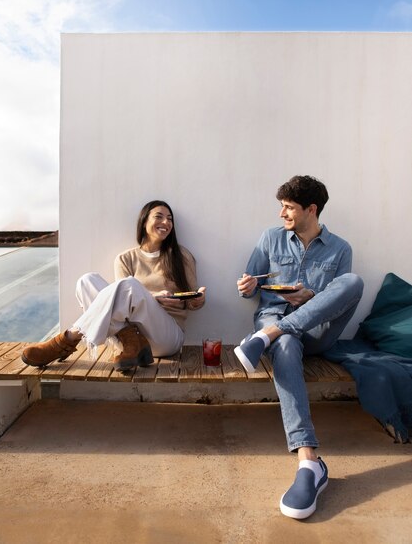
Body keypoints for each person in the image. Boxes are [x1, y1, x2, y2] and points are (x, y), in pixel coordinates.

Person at [234, 175, 363, 520]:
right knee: (286, 344)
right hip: (275, 321)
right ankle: (309, 462)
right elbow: (252, 288)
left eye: (289, 207)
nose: (282, 214)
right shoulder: (270, 239)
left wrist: (312, 296)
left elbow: (338, 302)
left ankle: (270, 335)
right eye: (281, 207)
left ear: (311, 209)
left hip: (318, 331)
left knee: (353, 282)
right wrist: (246, 286)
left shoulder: (341, 249)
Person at [22, 200, 206, 372]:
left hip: (167, 337)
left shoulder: (181, 256)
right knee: (87, 281)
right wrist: (153, 297)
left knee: (129, 285)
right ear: (144, 222)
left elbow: (191, 300)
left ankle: (67, 340)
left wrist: (197, 300)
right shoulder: (125, 259)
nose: (166, 222)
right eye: (159, 216)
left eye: (170, 219)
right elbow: (119, 302)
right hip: (128, 337)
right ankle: (133, 343)